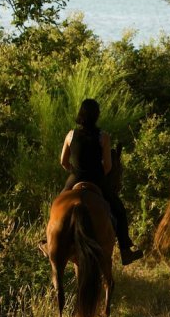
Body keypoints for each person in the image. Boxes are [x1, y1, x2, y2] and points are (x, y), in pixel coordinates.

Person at [59, 99, 143, 265]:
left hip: (75, 178)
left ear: (80, 115)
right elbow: (109, 166)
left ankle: (50, 242)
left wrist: (75, 172)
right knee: (119, 210)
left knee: (58, 205)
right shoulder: (103, 137)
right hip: (96, 179)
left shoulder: (71, 135)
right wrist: (97, 175)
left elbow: (63, 161)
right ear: (97, 116)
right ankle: (125, 250)